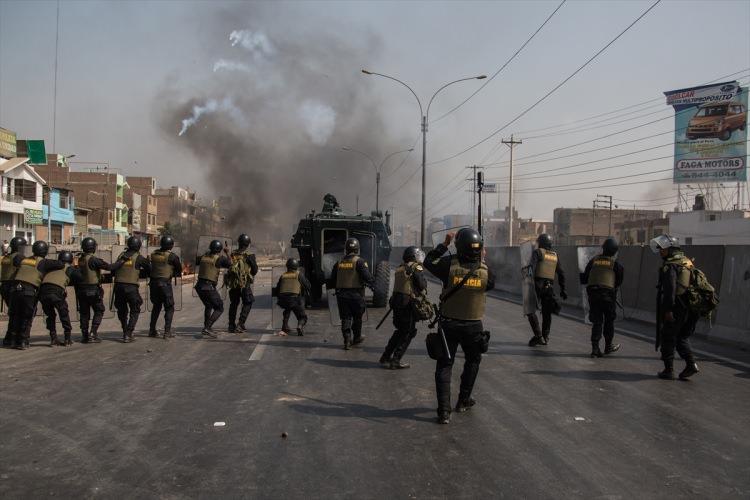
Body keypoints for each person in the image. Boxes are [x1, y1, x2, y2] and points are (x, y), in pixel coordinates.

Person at [424, 228, 495, 424]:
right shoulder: (485, 272)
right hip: (473, 326)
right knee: (473, 361)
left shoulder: (448, 265)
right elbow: (490, 284)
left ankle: (444, 411)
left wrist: (444, 244)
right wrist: (482, 260)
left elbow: (428, 262)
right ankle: (463, 400)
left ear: (459, 246)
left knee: (445, 365)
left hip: (449, 324)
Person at [650, 234, 700, 380]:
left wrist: (668, 310)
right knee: (681, 337)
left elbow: (670, 290)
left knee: (668, 337)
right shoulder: (687, 262)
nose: (661, 251)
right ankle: (691, 365)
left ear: (671, 249)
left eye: (663, 249)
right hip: (692, 307)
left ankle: (668, 370)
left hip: (677, 307)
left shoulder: (670, 265)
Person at [8, 240, 65, 349]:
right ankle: (23, 341)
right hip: (28, 290)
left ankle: (13, 341)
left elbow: (16, 261)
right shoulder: (43, 262)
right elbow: (60, 264)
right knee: (27, 316)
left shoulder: (25, 260)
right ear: (45, 251)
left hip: (15, 289)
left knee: (16, 315)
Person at [380, 246, 428, 370]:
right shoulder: (416, 267)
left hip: (397, 302)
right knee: (408, 332)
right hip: (407, 304)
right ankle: (395, 360)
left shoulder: (400, 268)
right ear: (413, 256)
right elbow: (421, 285)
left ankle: (385, 356)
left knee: (400, 331)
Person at [582, 237, 624, 358]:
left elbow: (584, 278)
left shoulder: (593, 261)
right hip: (608, 297)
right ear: (615, 251)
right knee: (609, 322)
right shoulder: (616, 265)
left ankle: (595, 349)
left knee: (597, 322)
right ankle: (608, 346)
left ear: (603, 248)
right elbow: (618, 282)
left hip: (594, 296)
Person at [330, 237, 374, 349]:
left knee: (345, 318)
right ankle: (357, 337)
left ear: (346, 249)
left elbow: (332, 280)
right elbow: (368, 278)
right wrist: (372, 285)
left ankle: (347, 340)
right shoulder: (360, 261)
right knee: (357, 317)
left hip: (341, 295)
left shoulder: (339, 262)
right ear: (357, 249)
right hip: (356, 295)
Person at [527, 233, 567, 347]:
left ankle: (538, 336)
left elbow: (531, 267)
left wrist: (528, 279)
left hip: (537, 286)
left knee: (530, 310)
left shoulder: (538, 252)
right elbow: (561, 273)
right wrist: (563, 289)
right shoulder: (555, 256)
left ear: (541, 243)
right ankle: (545, 336)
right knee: (547, 313)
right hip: (549, 287)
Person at [109, 236, 151, 343]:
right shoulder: (139, 258)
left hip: (118, 287)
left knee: (122, 311)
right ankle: (128, 333)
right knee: (135, 309)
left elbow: (114, 271)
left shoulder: (121, 256)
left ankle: (125, 330)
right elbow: (150, 269)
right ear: (138, 246)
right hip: (131, 288)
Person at [39, 250, 83, 346]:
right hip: (56, 292)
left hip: (43, 292)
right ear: (70, 260)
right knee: (64, 314)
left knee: (50, 316)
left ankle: (53, 339)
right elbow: (80, 277)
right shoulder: (69, 268)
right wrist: (77, 266)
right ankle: (67, 338)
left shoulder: (53, 267)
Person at [75, 237, 111, 344]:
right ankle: (93, 333)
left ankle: (85, 336)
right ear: (93, 248)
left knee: (84, 313)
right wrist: (122, 262)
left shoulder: (81, 259)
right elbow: (109, 267)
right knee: (99, 310)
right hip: (93, 290)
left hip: (81, 290)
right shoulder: (93, 259)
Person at [195, 239, 231, 338]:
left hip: (199, 286)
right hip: (208, 287)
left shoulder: (203, 257)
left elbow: (196, 261)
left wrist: (207, 253)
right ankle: (207, 328)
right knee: (219, 307)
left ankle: (207, 328)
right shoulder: (220, 259)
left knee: (208, 305)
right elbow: (230, 264)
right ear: (219, 249)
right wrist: (227, 253)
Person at [148, 235, 182, 339]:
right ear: (171, 245)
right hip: (165, 285)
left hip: (153, 284)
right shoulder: (172, 256)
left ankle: (152, 330)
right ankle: (167, 332)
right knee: (169, 307)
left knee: (156, 307)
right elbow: (179, 269)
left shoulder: (153, 254)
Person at [226, 233, 259, 333]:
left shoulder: (232, 254)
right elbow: (255, 270)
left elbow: (228, 266)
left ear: (239, 243)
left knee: (234, 304)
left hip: (234, 284)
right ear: (248, 244)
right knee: (248, 302)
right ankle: (240, 324)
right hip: (245, 284)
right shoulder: (250, 256)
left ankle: (231, 325)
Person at [1, 236, 26, 347]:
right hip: (13, 286)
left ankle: (10, 338)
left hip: (4, 286)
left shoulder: (6, 257)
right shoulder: (19, 257)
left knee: (13, 313)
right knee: (17, 314)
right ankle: (12, 338)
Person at [275, 258, 310, 336]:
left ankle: (285, 326)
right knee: (302, 317)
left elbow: (277, 289)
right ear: (296, 266)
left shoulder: (283, 275)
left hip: (283, 300)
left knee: (287, 309)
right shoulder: (298, 275)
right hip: (294, 300)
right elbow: (307, 286)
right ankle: (299, 326)